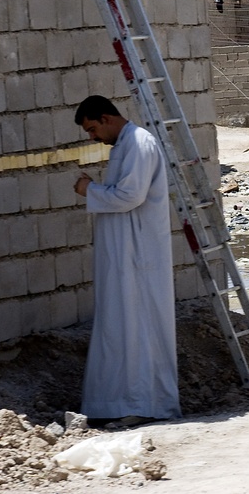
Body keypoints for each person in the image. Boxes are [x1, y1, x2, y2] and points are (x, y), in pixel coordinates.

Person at [72, 95, 181, 427]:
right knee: (119, 329)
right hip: (125, 257)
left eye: (92, 129)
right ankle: (118, 404)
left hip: (139, 258)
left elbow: (130, 196)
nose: (92, 137)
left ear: (106, 118)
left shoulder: (138, 143)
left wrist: (89, 189)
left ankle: (145, 404)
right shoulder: (125, 145)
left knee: (138, 330)